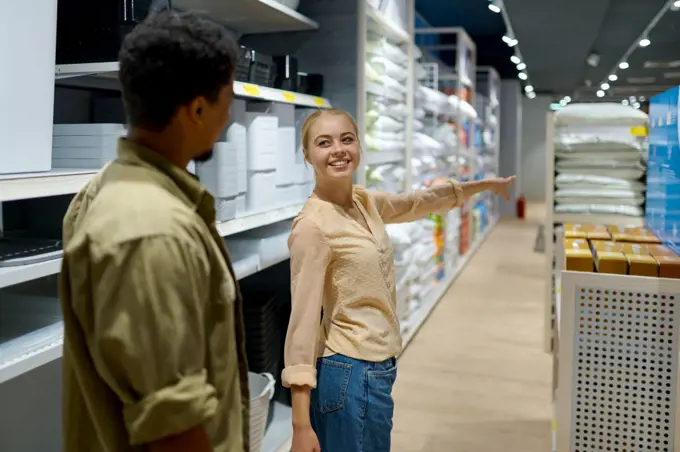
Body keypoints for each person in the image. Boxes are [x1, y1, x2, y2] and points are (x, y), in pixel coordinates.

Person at [59, 11, 250, 452]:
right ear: (197, 108)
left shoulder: (104, 190)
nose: (229, 116)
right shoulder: (151, 231)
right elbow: (172, 425)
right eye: (228, 98)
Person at [282, 108, 515, 452]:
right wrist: (300, 425)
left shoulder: (362, 201)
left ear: (359, 145)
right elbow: (301, 324)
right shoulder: (312, 227)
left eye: (347, 139)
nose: (338, 150)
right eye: (324, 143)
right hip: (348, 371)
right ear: (307, 155)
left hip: (376, 368)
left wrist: (481, 185)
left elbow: (415, 203)